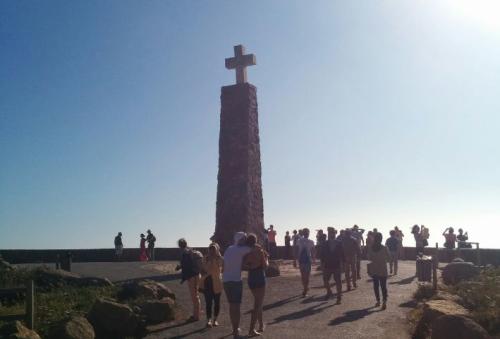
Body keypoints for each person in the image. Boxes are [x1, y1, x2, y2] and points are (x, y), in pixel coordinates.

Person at [223, 232, 251, 338]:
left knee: (231, 306)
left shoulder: (229, 249)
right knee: (236, 307)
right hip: (235, 281)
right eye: (244, 239)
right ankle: (236, 331)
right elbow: (254, 247)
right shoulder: (243, 249)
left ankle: (234, 328)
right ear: (240, 240)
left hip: (226, 280)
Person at [242, 234, 268, 336]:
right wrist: (266, 259)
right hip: (259, 276)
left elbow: (243, 264)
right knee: (257, 304)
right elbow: (265, 266)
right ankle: (251, 329)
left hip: (251, 277)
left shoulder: (246, 252)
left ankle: (261, 324)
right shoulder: (259, 250)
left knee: (258, 302)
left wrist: (250, 266)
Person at [176, 238, 201, 321]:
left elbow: (186, 265)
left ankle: (196, 316)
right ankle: (196, 314)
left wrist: (183, 274)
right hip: (197, 274)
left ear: (179, 245)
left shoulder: (184, 253)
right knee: (196, 296)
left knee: (194, 297)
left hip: (191, 276)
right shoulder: (191, 250)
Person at [201, 243, 223, 328]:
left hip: (217, 282)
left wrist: (216, 259)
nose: (212, 251)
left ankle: (215, 319)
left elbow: (221, 267)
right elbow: (203, 269)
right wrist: (209, 261)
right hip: (207, 282)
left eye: (214, 249)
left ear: (217, 250)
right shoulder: (205, 258)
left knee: (217, 302)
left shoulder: (220, 258)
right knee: (208, 303)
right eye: (211, 249)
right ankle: (208, 320)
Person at [321, 227, 344, 303]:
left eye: (333, 233)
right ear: (328, 234)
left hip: (336, 264)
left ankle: (339, 297)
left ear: (335, 233)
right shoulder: (325, 243)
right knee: (325, 280)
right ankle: (329, 291)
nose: (331, 234)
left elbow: (342, 254)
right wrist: (322, 264)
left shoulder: (339, 243)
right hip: (327, 264)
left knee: (338, 281)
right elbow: (322, 255)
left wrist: (342, 264)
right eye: (330, 233)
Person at [367, 232, 391, 310]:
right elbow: (389, 258)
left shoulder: (371, 248)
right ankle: (384, 301)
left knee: (376, 286)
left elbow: (369, 258)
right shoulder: (384, 248)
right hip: (383, 269)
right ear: (381, 239)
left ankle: (378, 301)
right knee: (383, 286)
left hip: (374, 269)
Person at [297, 228, 315, 297]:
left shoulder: (300, 241)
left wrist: (295, 259)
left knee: (304, 276)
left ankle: (305, 288)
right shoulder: (310, 242)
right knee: (305, 276)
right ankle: (305, 288)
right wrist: (313, 258)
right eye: (307, 232)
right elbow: (313, 251)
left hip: (304, 260)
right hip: (305, 260)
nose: (307, 234)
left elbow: (296, 250)